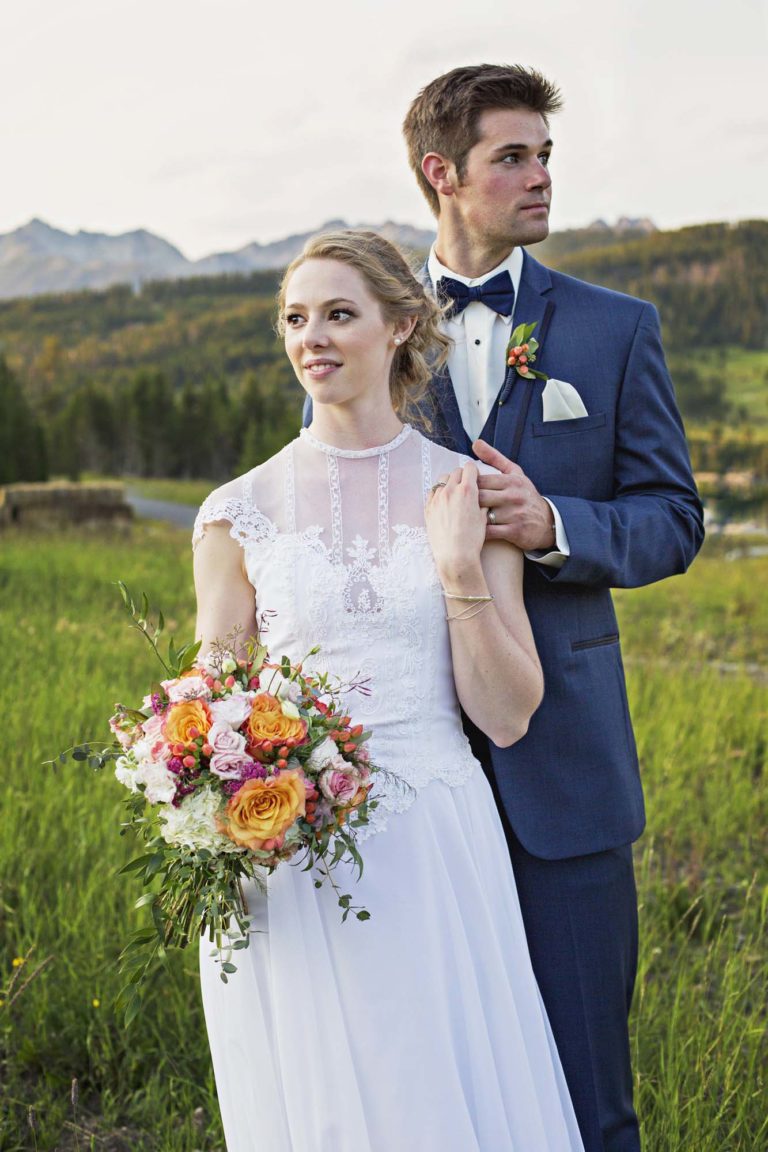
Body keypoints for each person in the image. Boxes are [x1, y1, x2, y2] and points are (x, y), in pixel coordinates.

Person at [193, 229, 585, 1151]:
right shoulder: (233, 511)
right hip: (288, 850)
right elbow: (212, 701)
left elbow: (506, 712)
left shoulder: (468, 492)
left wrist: (459, 572)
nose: (311, 339)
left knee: (435, 1089)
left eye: (338, 314)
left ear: (403, 325)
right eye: (295, 317)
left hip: (437, 844)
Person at [400, 64, 705, 1152]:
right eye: (512, 157)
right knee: (439, 1085)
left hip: (568, 768)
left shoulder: (616, 329)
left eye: (545, 156)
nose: (539, 178)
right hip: (409, 771)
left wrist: (558, 527)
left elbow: (674, 517)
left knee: (590, 1093)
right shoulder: (367, 330)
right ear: (443, 174)